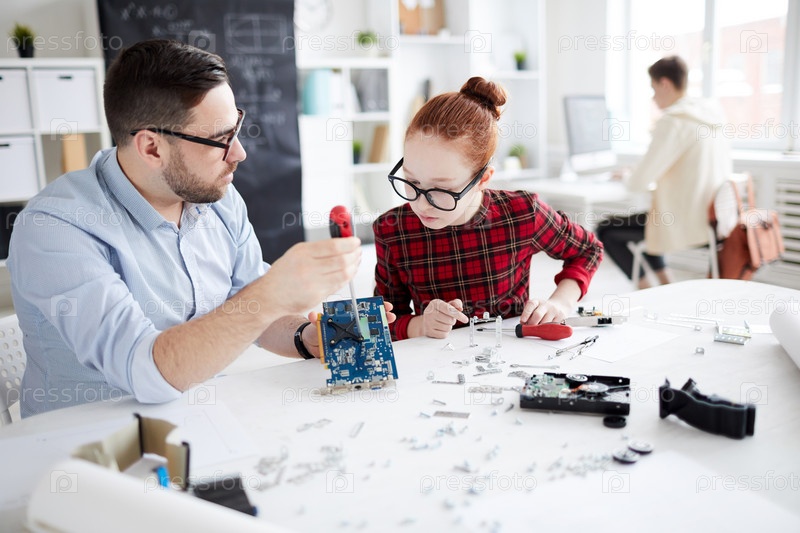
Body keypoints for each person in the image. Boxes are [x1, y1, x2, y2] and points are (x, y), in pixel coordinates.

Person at [8, 40, 385, 417]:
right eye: (221, 140)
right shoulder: (55, 228)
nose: (240, 153)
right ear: (152, 148)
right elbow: (144, 370)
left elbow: (246, 302)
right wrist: (273, 293)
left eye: (236, 128)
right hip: (91, 442)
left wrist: (306, 337)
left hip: (205, 418)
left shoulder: (217, 196)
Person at [373, 77, 603, 340]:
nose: (421, 203)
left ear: (483, 179)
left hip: (511, 353)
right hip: (436, 359)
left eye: (441, 190)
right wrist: (420, 325)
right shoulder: (392, 230)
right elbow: (381, 322)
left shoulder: (522, 213)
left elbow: (588, 249)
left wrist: (561, 302)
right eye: (412, 181)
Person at [596, 56, 732, 288]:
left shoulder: (674, 121)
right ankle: (666, 284)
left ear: (665, 84)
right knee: (651, 220)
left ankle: (647, 291)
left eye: (653, 89)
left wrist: (627, 175)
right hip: (714, 219)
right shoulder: (710, 115)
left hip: (685, 221)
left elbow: (638, 183)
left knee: (605, 230)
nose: (653, 97)